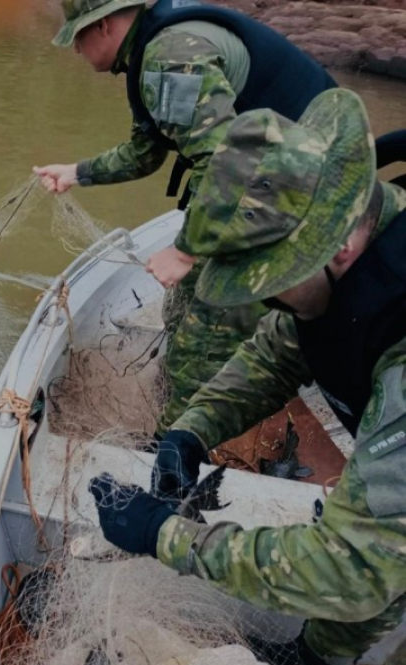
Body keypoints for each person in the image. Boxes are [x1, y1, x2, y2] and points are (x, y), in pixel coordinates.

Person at [89, 88, 406, 665]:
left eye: (268, 279)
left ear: (337, 246)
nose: (260, 298)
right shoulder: (355, 265)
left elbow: (353, 570)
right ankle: (320, 660)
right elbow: (281, 350)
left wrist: (165, 536)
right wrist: (188, 433)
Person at [34, 0, 336, 437]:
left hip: (286, 198)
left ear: (101, 26)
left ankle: (176, 453)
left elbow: (220, 159)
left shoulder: (170, 54)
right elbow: (145, 152)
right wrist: (76, 173)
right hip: (261, 188)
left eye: (77, 37)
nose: (76, 51)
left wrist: (185, 250)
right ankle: (181, 398)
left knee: (204, 345)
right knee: (182, 309)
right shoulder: (152, 51)